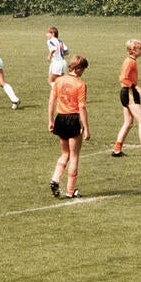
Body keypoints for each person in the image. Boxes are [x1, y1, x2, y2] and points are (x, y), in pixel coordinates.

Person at [49, 56, 90, 199]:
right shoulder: (80, 84)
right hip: (73, 119)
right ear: (78, 68)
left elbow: (51, 101)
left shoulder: (58, 80)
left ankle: (55, 179)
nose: (83, 72)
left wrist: (50, 120)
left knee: (64, 153)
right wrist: (86, 128)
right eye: (83, 69)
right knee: (74, 156)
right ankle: (70, 191)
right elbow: (82, 107)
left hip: (60, 117)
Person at [111, 39, 141, 157]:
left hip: (127, 92)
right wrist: (137, 88)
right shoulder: (130, 62)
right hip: (129, 93)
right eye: (140, 48)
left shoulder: (131, 61)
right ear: (133, 50)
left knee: (128, 122)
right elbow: (123, 78)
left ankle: (117, 150)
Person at [45, 26, 69, 92]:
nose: (46, 35)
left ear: (53, 34)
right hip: (63, 62)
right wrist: (60, 54)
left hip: (56, 63)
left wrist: (49, 55)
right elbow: (67, 51)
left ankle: (62, 93)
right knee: (60, 81)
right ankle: (64, 93)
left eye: (48, 33)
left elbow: (53, 49)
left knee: (51, 81)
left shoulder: (50, 41)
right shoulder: (60, 41)